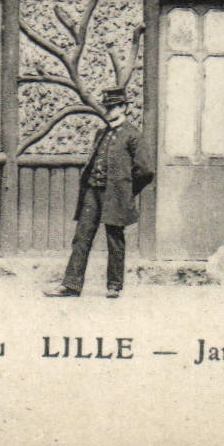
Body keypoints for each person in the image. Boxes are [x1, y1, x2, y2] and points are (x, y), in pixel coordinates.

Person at [52, 89, 152, 299]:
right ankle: (71, 285)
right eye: (107, 107)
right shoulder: (101, 133)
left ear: (124, 107)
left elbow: (145, 171)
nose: (109, 111)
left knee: (115, 238)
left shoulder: (133, 135)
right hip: (92, 192)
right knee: (82, 237)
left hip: (115, 195)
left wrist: (127, 191)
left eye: (114, 107)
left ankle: (114, 286)